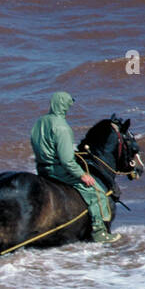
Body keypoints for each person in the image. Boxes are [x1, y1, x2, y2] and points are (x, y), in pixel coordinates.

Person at [30, 91, 119, 243]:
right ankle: (99, 232)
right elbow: (67, 161)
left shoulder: (40, 122)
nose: (68, 108)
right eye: (68, 105)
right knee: (97, 193)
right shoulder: (62, 127)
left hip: (41, 168)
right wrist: (82, 175)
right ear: (63, 105)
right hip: (58, 170)